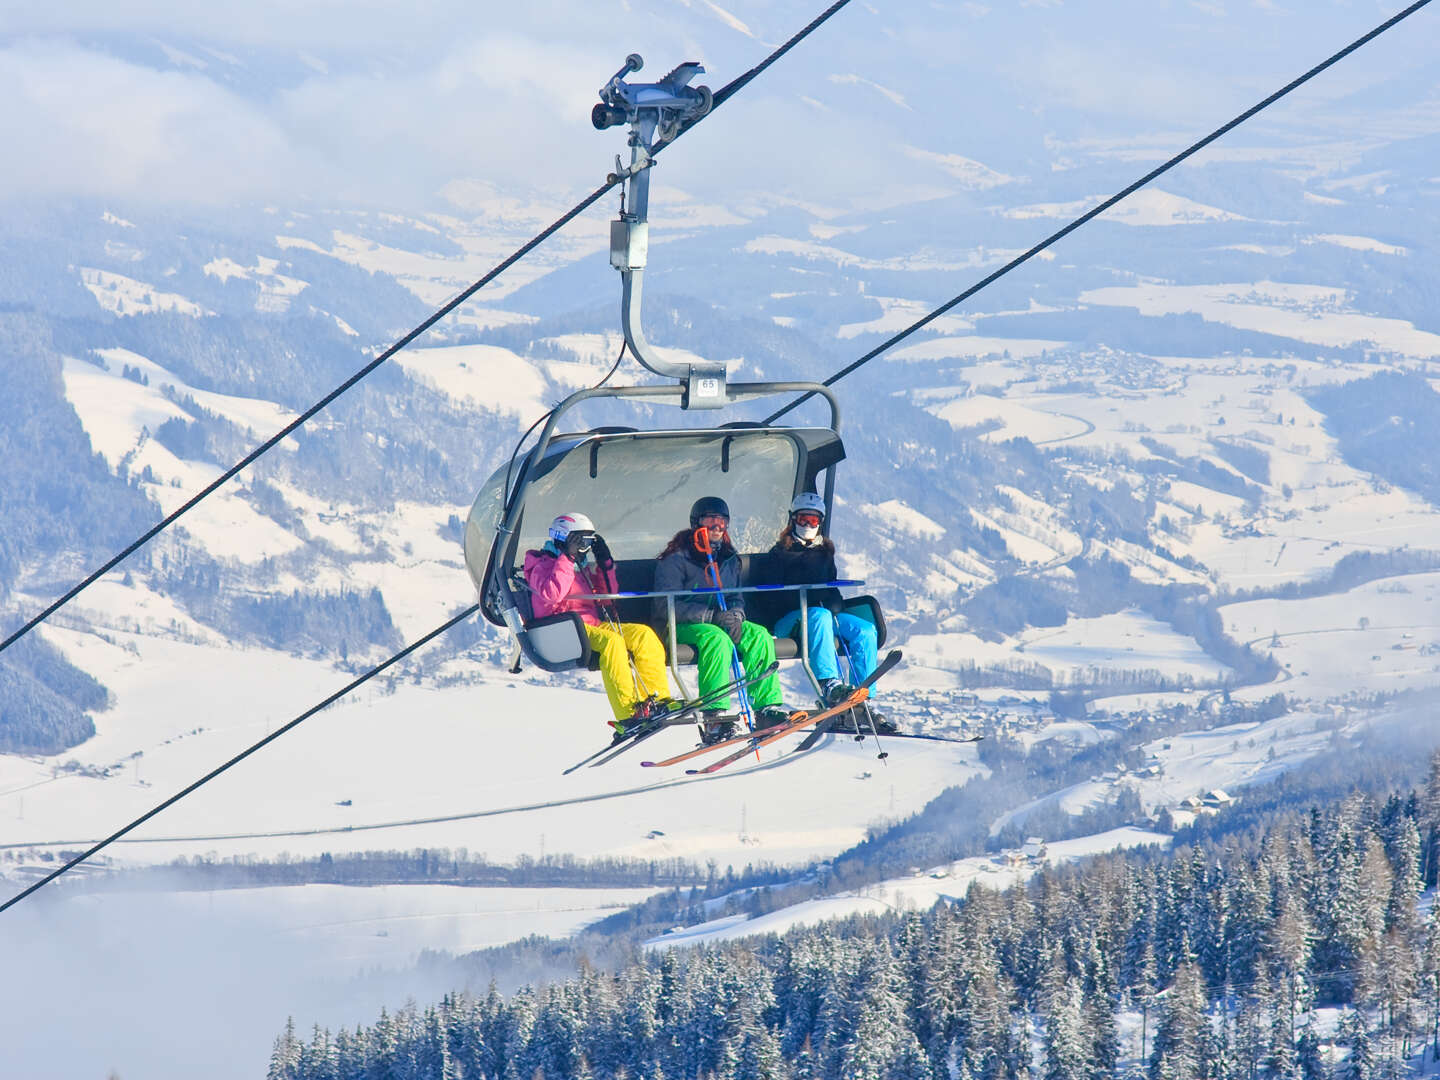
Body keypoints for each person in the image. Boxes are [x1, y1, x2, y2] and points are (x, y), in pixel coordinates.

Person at [654, 496, 789, 743]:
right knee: (718, 641)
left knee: (759, 635)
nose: (717, 528)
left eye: (722, 522)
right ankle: (713, 716)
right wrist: (711, 617)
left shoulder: (728, 558)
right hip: (682, 626)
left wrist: (736, 617)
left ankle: (765, 708)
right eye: (710, 522)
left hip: (721, 620)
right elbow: (665, 605)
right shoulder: (676, 559)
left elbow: (737, 597)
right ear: (697, 523)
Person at [524, 512, 671, 730]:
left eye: (588, 542)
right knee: (612, 643)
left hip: (590, 624)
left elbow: (606, 597)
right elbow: (551, 593)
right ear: (564, 538)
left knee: (644, 635)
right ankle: (628, 712)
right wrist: (567, 558)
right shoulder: (540, 564)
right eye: (580, 542)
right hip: (561, 627)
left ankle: (656, 700)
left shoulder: (578, 566)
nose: (584, 548)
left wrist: (605, 564)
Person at [768, 492, 895, 733]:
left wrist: (834, 601)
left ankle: (861, 697)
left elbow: (830, 587)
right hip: (789, 619)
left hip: (822, 615)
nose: (807, 525)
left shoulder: (824, 553)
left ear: (820, 522)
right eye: (803, 519)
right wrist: (806, 598)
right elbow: (774, 595)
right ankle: (830, 685)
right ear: (793, 519)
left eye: (813, 520)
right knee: (820, 616)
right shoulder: (779, 554)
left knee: (864, 630)